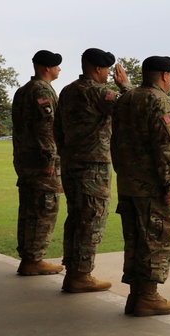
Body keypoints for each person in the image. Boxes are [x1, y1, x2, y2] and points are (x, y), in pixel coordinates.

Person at [55, 48, 130, 292]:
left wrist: (66, 154)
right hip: (93, 166)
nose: (109, 74)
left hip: (70, 164)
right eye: (107, 69)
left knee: (76, 217)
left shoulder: (67, 90)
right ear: (98, 68)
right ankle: (81, 275)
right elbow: (131, 109)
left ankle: (73, 271)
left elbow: (57, 128)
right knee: (91, 218)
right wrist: (125, 86)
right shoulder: (98, 92)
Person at [112, 56, 170, 316]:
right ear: (165, 75)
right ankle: (149, 297)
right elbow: (166, 148)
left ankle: (136, 297)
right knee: (156, 239)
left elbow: (114, 142)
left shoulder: (126, 99)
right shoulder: (160, 101)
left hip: (128, 183)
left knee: (135, 240)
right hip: (152, 186)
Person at [12, 50, 64, 276]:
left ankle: (28, 257)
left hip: (25, 161)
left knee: (28, 209)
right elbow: (46, 127)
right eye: (57, 65)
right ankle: (34, 259)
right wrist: (50, 158)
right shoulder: (42, 91)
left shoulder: (22, 91)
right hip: (41, 163)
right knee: (44, 208)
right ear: (46, 68)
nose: (59, 69)